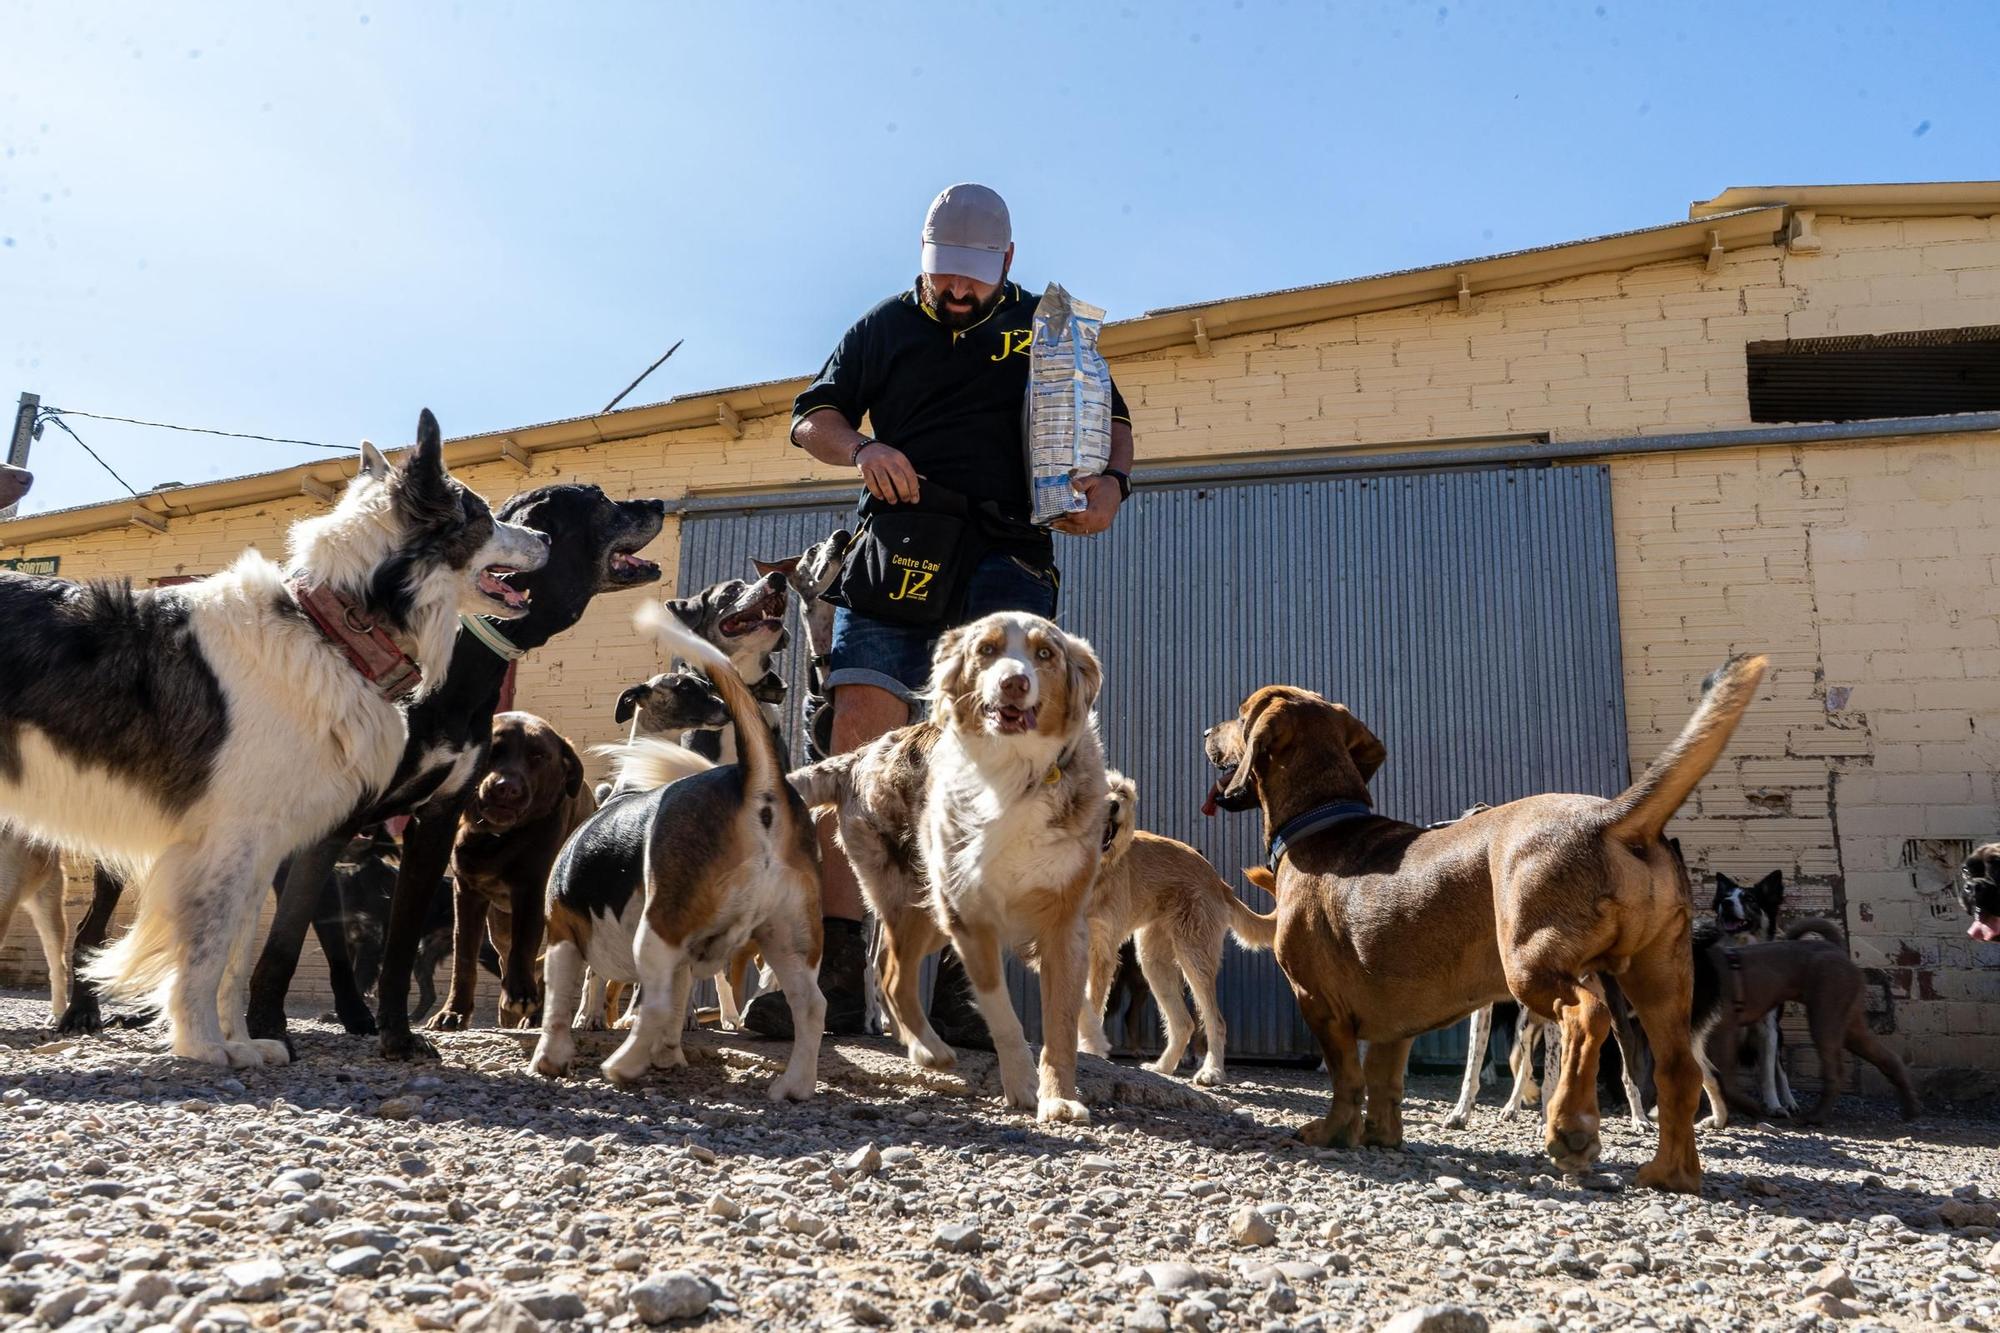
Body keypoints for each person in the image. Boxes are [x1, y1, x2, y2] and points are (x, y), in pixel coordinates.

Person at [743, 182, 1134, 1041]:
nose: (954, 293)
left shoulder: (1051, 332)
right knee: (858, 738)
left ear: (1005, 263)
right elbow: (813, 417)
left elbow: (1112, 425)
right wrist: (863, 446)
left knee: (1003, 756)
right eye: (940, 276)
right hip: (898, 553)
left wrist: (1107, 488)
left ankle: (962, 977)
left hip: (1006, 556)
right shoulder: (886, 325)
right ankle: (835, 964)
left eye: (971, 279)